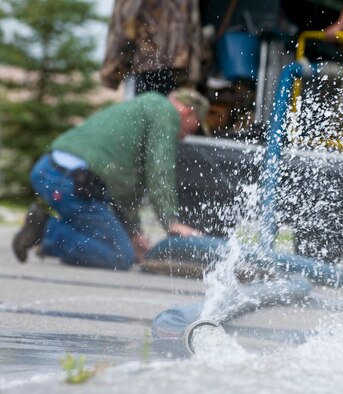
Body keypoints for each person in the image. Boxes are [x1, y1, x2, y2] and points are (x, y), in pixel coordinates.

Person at [12, 88, 210, 270]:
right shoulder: (166, 113)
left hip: (52, 172)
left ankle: (48, 228)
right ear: (187, 112)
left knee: (119, 246)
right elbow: (159, 169)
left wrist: (134, 233)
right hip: (70, 183)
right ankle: (47, 231)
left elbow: (126, 190)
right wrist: (171, 221)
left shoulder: (144, 108)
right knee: (119, 256)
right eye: (195, 127)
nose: (185, 137)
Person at [100, 0, 212, 95]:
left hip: (148, 66)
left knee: (148, 116)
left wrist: (112, 74)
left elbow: (124, 26)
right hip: (183, 67)